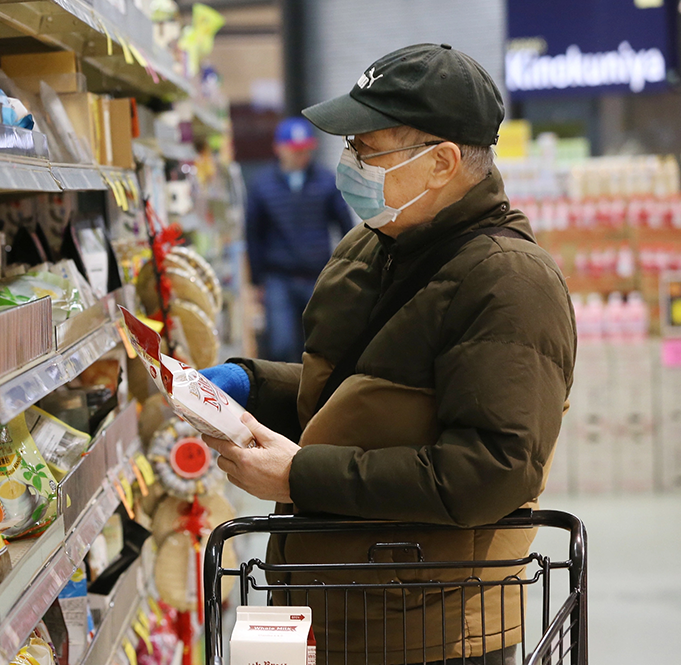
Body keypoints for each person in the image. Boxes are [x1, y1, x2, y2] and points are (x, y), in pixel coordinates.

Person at [202, 44, 576, 665]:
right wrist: (248, 385)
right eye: (350, 147)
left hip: (434, 628)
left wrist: (300, 476)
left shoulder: (511, 283)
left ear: (442, 162)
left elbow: (490, 468)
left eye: (368, 148)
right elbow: (363, 394)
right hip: (341, 597)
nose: (349, 162)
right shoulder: (370, 248)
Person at [245, 117, 356, 362]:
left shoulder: (327, 181)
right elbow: (253, 235)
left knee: (320, 343)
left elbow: (347, 229)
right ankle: (286, 392)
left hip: (317, 275)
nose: (301, 156)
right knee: (281, 344)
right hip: (278, 279)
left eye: (305, 150)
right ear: (279, 149)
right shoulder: (262, 186)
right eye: (295, 151)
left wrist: (345, 272)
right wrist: (256, 281)